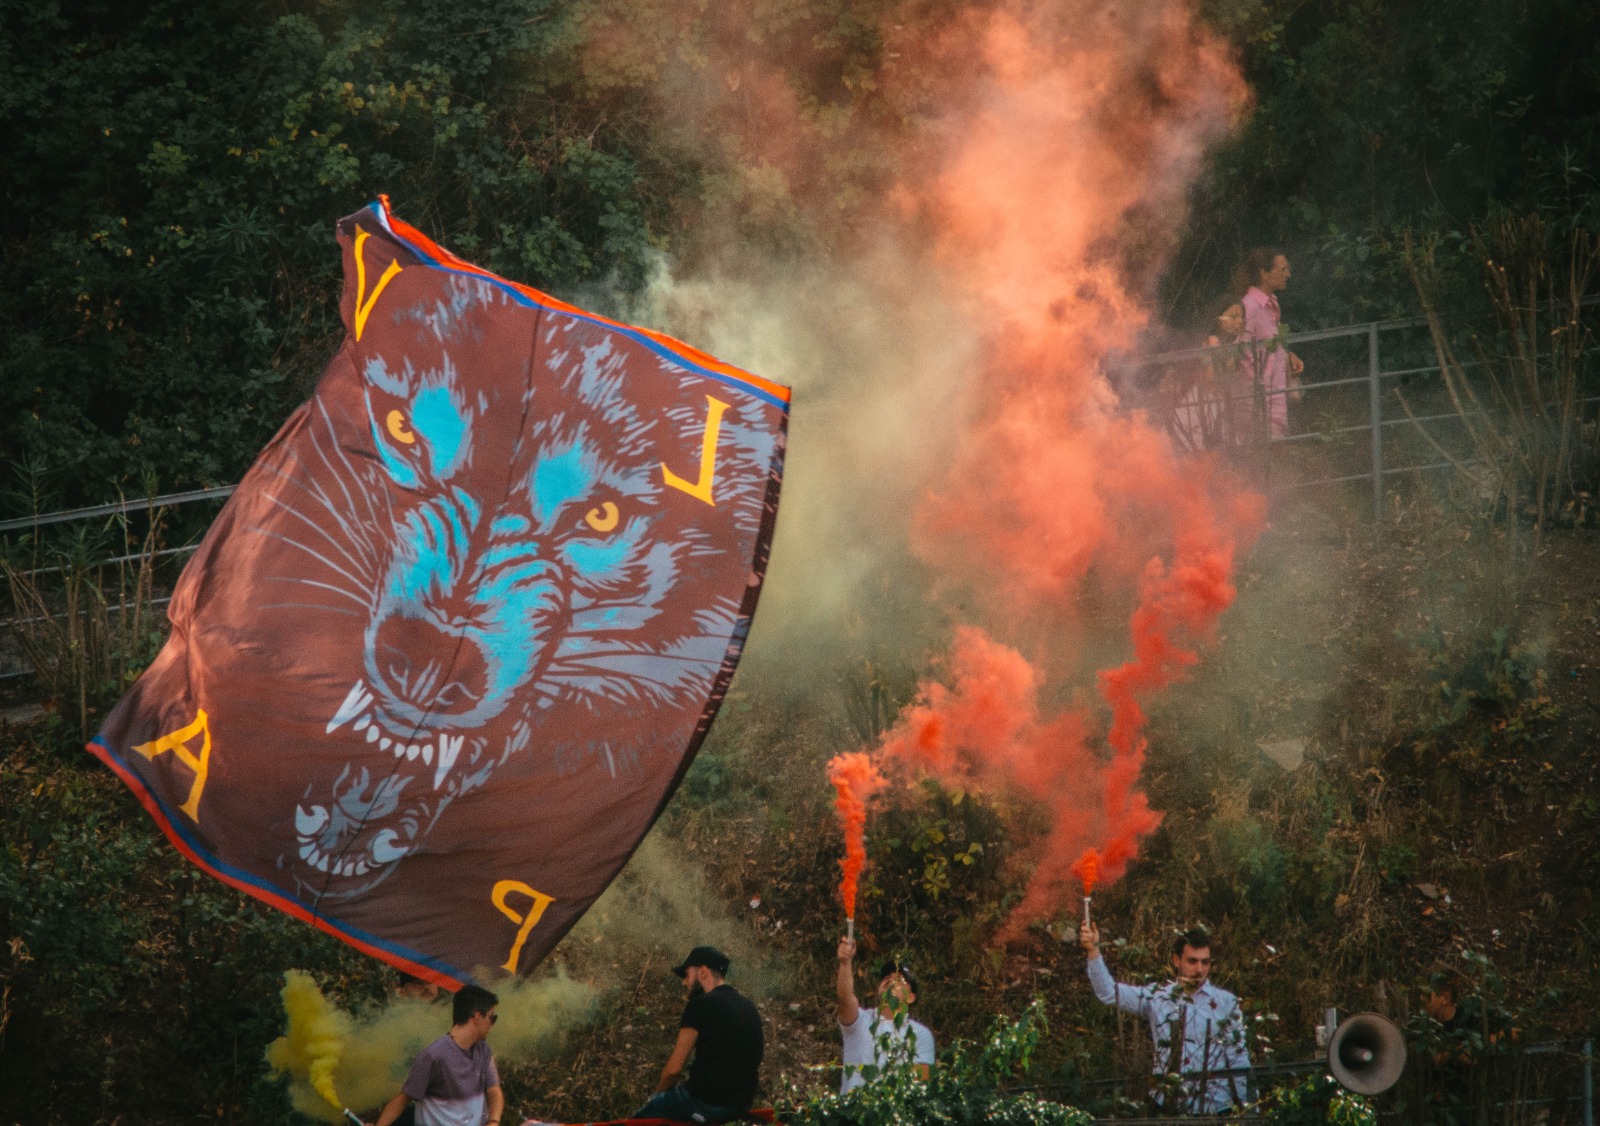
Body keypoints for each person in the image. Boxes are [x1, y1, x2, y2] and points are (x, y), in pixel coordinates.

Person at [1079, 923, 1250, 1114]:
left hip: (1215, 1107)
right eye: (1192, 961)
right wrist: (1093, 951)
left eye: (1205, 962)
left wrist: (1246, 1109)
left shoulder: (1226, 1003)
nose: (1199, 969)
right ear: (1177, 960)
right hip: (1166, 1104)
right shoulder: (1158, 997)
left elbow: (1238, 1058)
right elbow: (1109, 993)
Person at [633, 945, 763, 1123]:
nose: (684, 982)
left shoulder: (700, 1004)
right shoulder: (748, 1006)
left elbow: (674, 1070)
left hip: (704, 1102)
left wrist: (658, 1097)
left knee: (640, 1119)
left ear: (703, 972)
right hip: (740, 1106)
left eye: (686, 975)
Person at [373, 984, 503, 1126]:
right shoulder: (433, 1056)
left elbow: (494, 1090)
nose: (492, 1024)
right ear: (477, 1017)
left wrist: (493, 1121)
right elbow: (404, 1099)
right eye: (492, 1017)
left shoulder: (483, 1050)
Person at [835, 935, 935, 1093]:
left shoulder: (921, 1034)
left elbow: (920, 1088)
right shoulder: (859, 1021)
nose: (890, 980)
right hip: (852, 1113)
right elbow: (845, 998)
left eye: (900, 980)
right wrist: (845, 962)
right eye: (887, 977)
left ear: (911, 997)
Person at [1235, 247, 1305, 440]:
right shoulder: (1249, 306)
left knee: (1277, 453)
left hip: (1276, 395)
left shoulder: (1272, 302)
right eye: (1282, 269)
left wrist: (1288, 355)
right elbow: (1239, 351)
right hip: (1259, 402)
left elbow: (1269, 340)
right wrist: (1257, 392)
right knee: (1267, 457)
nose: (1288, 274)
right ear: (1264, 274)